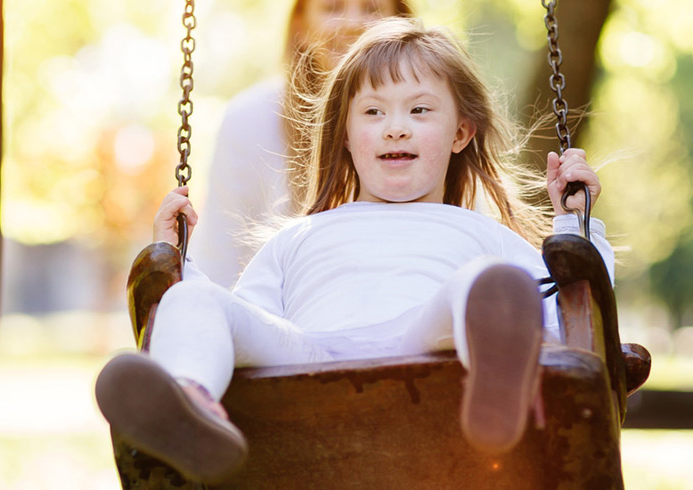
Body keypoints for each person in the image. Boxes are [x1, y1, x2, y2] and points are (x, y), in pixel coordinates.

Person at [96, 18, 615, 484]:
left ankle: (495, 393)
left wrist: (574, 221)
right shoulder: (298, 237)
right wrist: (178, 264)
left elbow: (575, 310)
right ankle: (189, 405)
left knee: (488, 285)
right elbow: (245, 323)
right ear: (345, 135)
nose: (396, 125)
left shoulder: (481, 233)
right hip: (308, 354)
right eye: (372, 111)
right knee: (195, 301)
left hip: (428, 345)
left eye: (419, 109)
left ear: (460, 133)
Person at [190, 0, 413, 289]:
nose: (353, 24)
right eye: (332, 8)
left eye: (372, 9)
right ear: (301, 27)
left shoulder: (430, 119)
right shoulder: (249, 121)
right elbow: (218, 265)